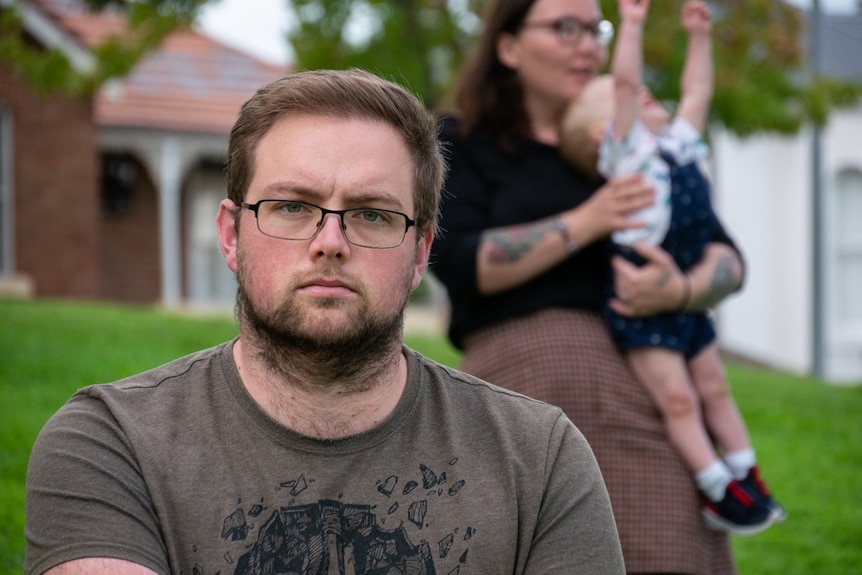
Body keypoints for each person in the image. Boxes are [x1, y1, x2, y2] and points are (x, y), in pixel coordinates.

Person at [24, 69, 626, 575]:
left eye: (371, 214)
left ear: (420, 254)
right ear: (231, 236)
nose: (330, 242)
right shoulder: (110, 445)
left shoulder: (538, 458)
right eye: (292, 207)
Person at [431, 0, 749, 572]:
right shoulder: (463, 140)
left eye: (595, 29)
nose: (587, 45)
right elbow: (457, 258)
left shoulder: (630, 141)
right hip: (519, 398)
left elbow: (726, 258)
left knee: (664, 549)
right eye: (564, 28)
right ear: (507, 47)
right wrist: (590, 219)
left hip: (653, 397)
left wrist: (680, 290)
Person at [559, 0, 784, 535]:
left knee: (716, 386)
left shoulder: (679, 142)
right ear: (603, 136)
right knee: (680, 399)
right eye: (621, 100)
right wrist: (631, 25)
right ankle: (716, 489)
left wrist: (699, 36)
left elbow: (699, 91)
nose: (639, 93)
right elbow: (623, 83)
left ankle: (746, 471)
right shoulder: (626, 153)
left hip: (682, 293)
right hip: (642, 303)